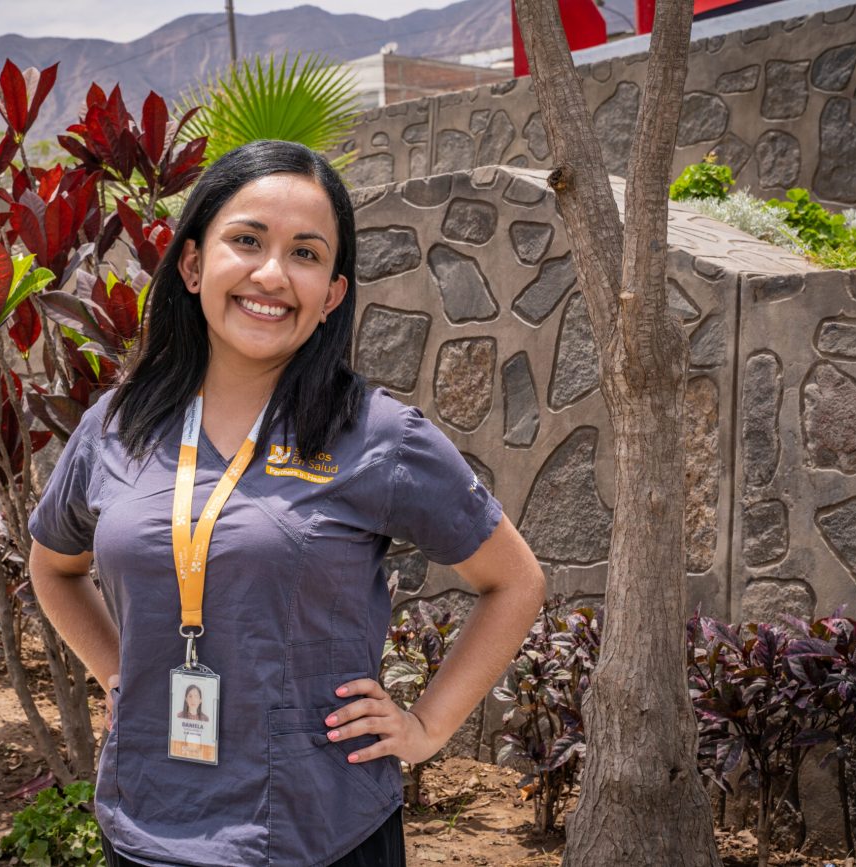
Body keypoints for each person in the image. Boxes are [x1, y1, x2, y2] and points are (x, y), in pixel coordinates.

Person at [28, 140, 546, 867]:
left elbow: (515, 581)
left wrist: (428, 724)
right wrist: (119, 670)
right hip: (143, 822)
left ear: (332, 292)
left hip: (316, 833)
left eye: (305, 253)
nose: (271, 274)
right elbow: (53, 567)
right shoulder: (117, 426)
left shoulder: (376, 435)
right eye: (245, 240)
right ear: (192, 262)